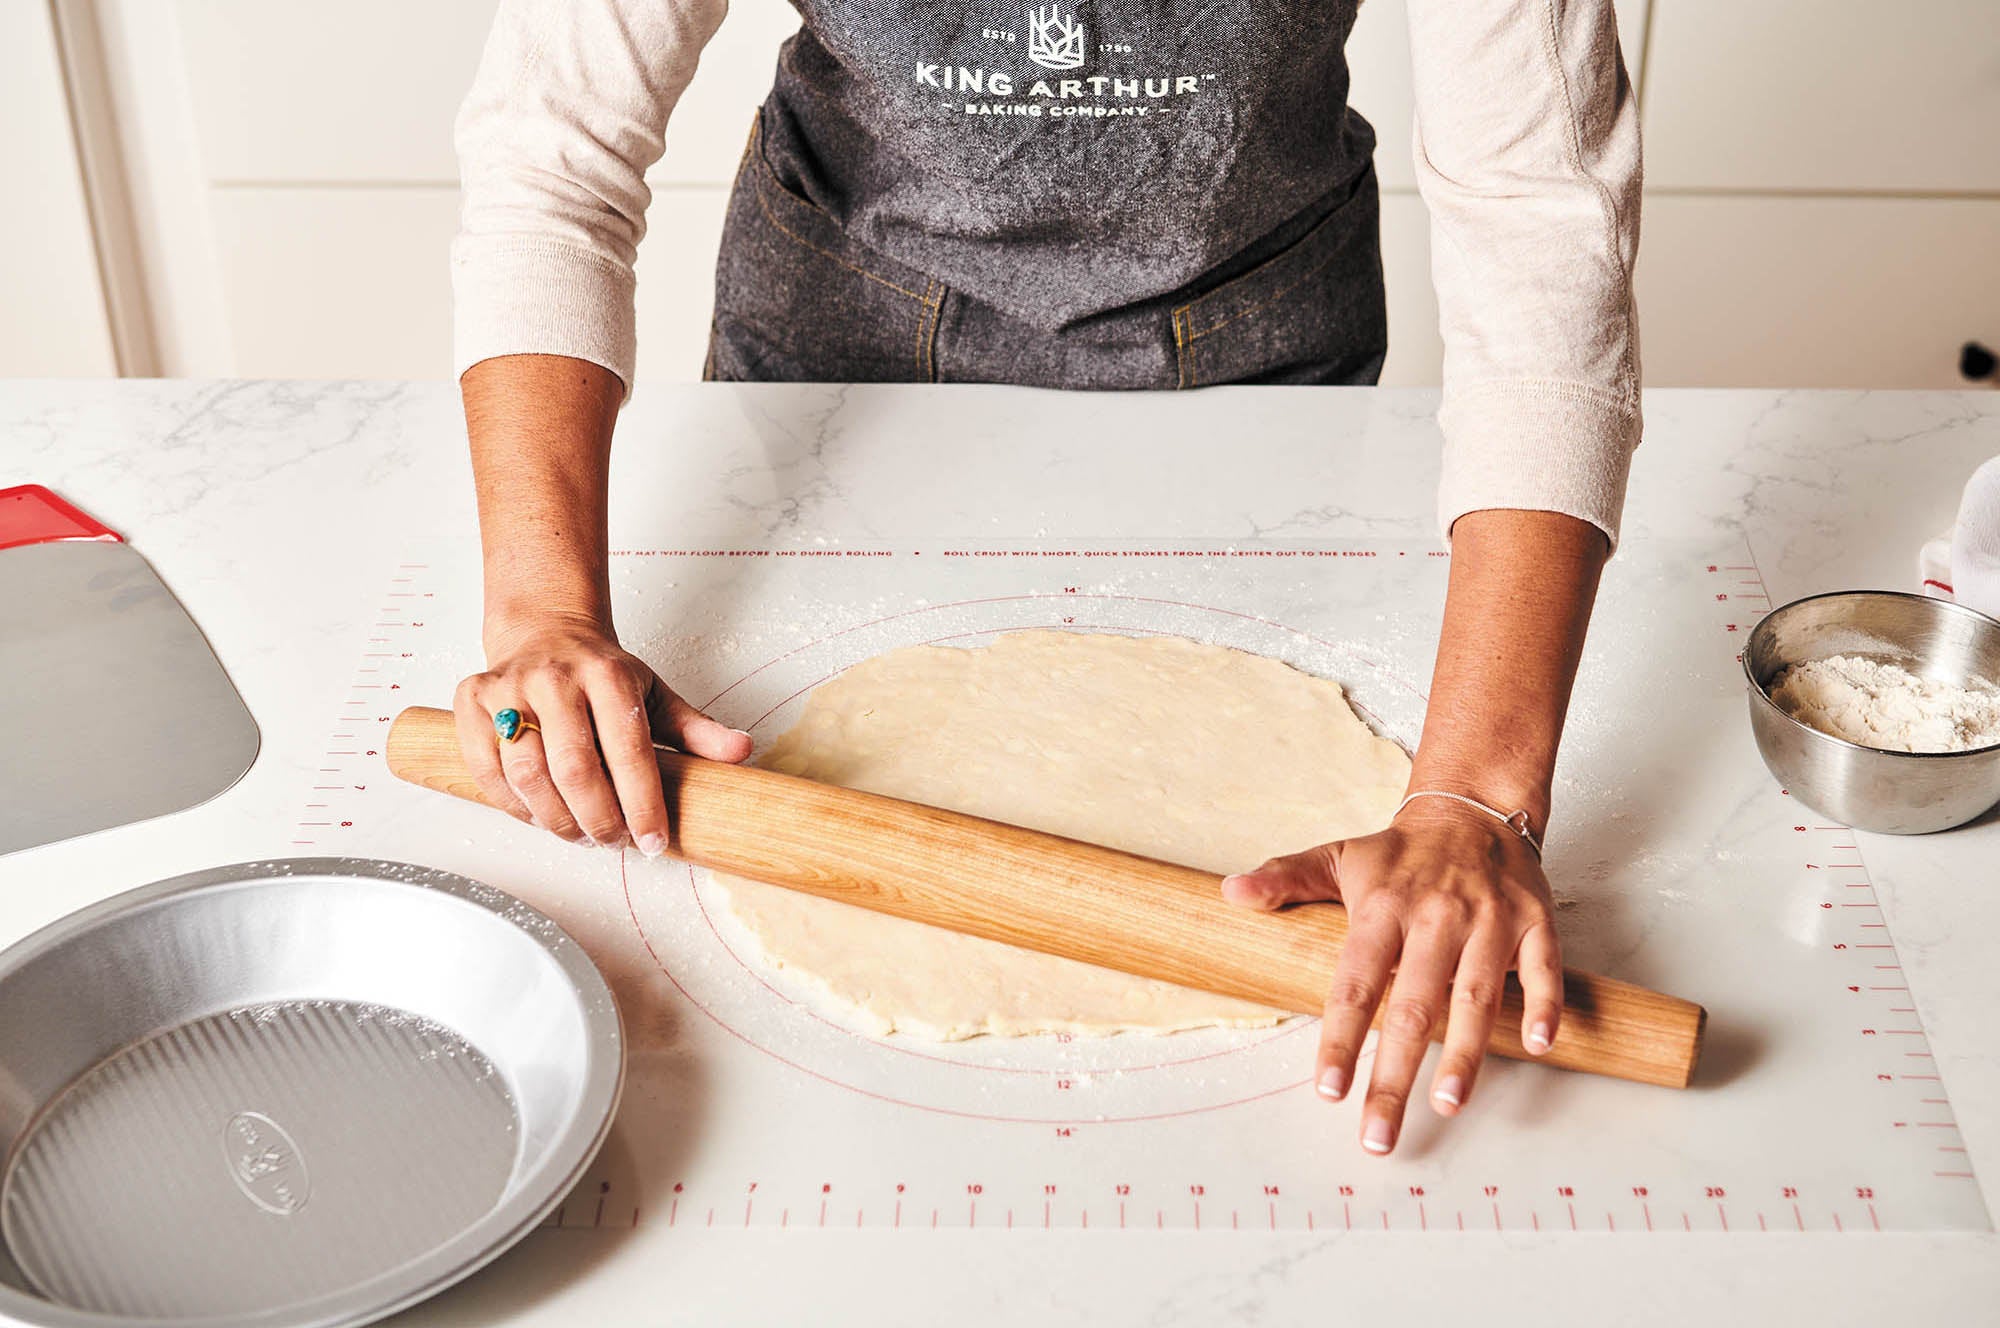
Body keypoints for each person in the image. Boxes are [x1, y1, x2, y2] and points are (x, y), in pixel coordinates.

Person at [448, 0, 1641, 1157]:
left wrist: (1470, 800)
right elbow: (549, 159)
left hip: (1259, 353)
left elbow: (1540, 227)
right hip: (832, 348)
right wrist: (543, 612)